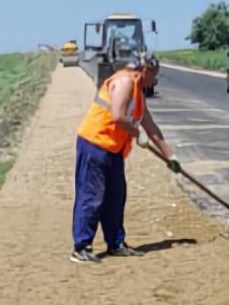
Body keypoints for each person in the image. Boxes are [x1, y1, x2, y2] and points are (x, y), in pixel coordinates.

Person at [70, 53, 181, 263]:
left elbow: (150, 126)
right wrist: (136, 133)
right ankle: (81, 246)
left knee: (115, 197)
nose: (154, 81)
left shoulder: (138, 91)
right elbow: (118, 116)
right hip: (95, 143)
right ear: (145, 71)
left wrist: (170, 156)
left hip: (114, 149)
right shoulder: (124, 82)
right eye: (154, 75)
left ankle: (115, 243)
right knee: (92, 197)